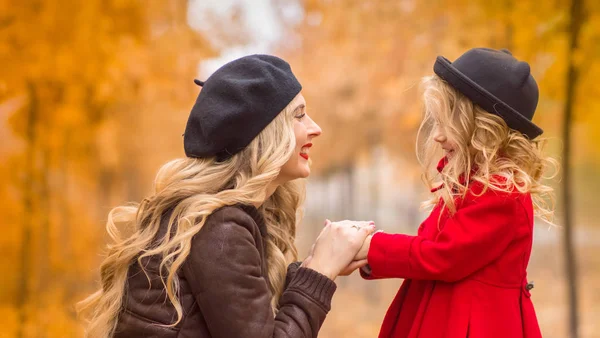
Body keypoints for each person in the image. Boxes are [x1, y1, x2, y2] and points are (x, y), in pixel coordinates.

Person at [77, 54, 375, 338]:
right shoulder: (220, 228)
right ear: (265, 135)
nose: (316, 128)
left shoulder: (222, 220)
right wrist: (320, 273)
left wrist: (315, 266)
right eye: (299, 115)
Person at [354, 48, 557, 337]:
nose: (437, 136)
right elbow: (428, 248)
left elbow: (443, 257)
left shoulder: (502, 191)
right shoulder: (471, 183)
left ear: (484, 128)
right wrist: (368, 255)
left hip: (477, 325)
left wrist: (372, 248)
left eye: (448, 122)